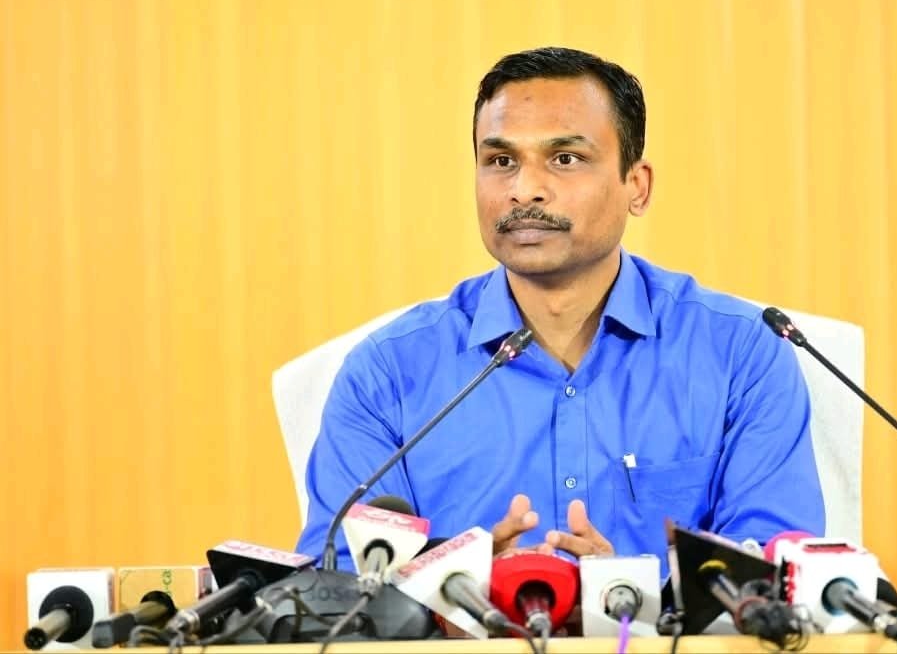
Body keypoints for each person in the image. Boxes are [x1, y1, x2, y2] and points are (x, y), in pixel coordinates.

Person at [295, 46, 824, 575]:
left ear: (636, 186)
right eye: (501, 161)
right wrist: (451, 581)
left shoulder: (739, 355)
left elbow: (774, 572)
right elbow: (337, 581)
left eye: (565, 158)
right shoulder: (388, 372)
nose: (525, 190)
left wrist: (634, 591)